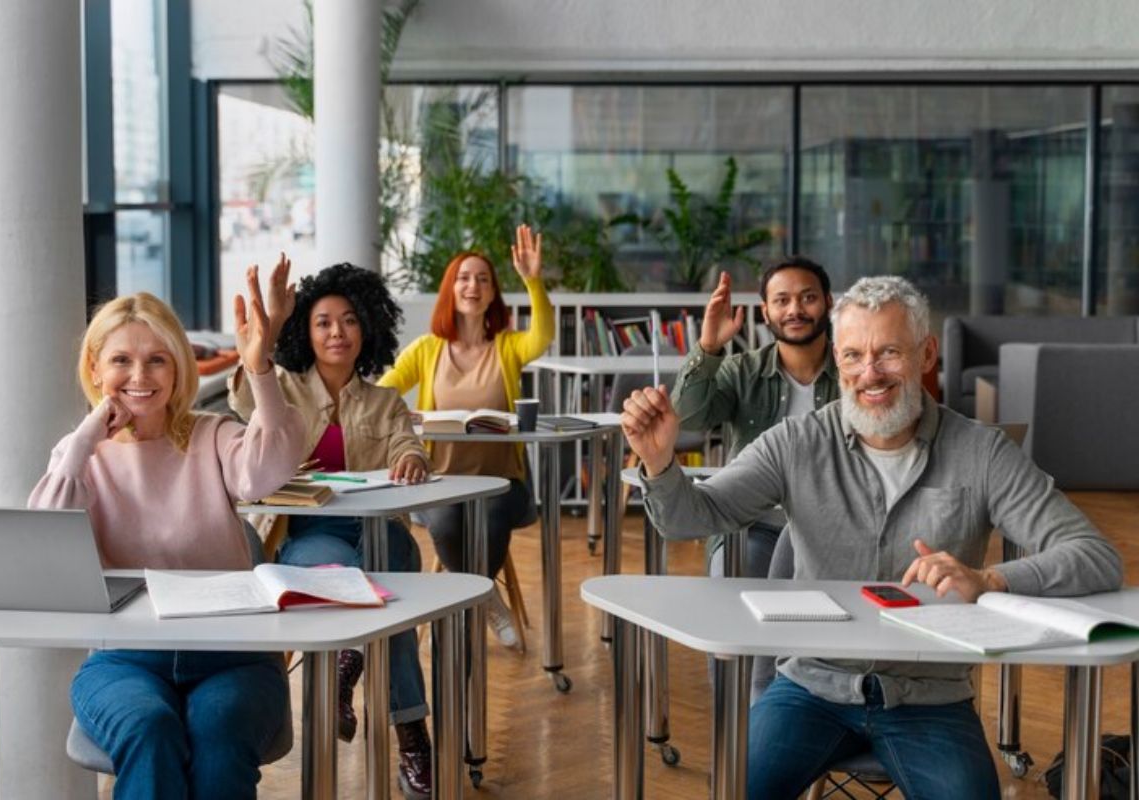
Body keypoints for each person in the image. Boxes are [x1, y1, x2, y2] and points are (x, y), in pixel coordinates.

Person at [621, 275, 1122, 799]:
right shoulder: (795, 442)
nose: (870, 373)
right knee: (734, 789)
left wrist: (989, 578)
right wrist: (658, 463)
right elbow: (691, 517)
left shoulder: (983, 451)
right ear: (837, 362)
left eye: (888, 352)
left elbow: (1094, 557)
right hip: (810, 689)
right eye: (854, 356)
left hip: (929, 697)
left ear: (927, 354)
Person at [29, 277, 306, 800]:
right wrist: (85, 440)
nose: (140, 375)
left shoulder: (213, 435)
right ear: (95, 368)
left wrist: (260, 366)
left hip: (234, 655)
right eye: (121, 361)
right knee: (147, 729)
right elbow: (45, 536)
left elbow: (269, 470)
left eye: (158, 359)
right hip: (124, 659)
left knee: (218, 734)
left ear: (179, 367)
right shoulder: (79, 457)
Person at [228, 257, 434, 800]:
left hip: (377, 531)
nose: (337, 332)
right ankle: (412, 733)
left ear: (366, 327)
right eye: (322, 322)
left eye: (347, 320)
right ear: (306, 331)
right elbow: (243, 398)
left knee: (382, 571)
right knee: (390, 614)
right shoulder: (282, 388)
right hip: (311, 534)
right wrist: (264, 334)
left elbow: (407, 442)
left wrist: (411, 457)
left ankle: (349, 663)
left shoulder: (386, 401)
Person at [379, 224, 553, 648]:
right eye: (463, 277)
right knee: (446, 519)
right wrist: (407, 415)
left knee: (491, 516)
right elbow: (382, 393)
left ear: (493, 292)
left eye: (482, 278)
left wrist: (532, 279)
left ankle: (467, 603)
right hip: (439, 482)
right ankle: (486, 598)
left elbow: (543, 335)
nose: (472, 285)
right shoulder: (426, 349)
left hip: (502, 484)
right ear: (449, 290)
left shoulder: (509, 347)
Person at [671, 257, 839, 578]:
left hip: (834, 527)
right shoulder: (742, 370)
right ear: (765, 312)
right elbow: (689, 418)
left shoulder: (854, 371)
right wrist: (708, 347)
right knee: (731, 594)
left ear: (828, 302)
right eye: (782, 300)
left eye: (808, 297)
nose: (795, 310)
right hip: (754, 525)